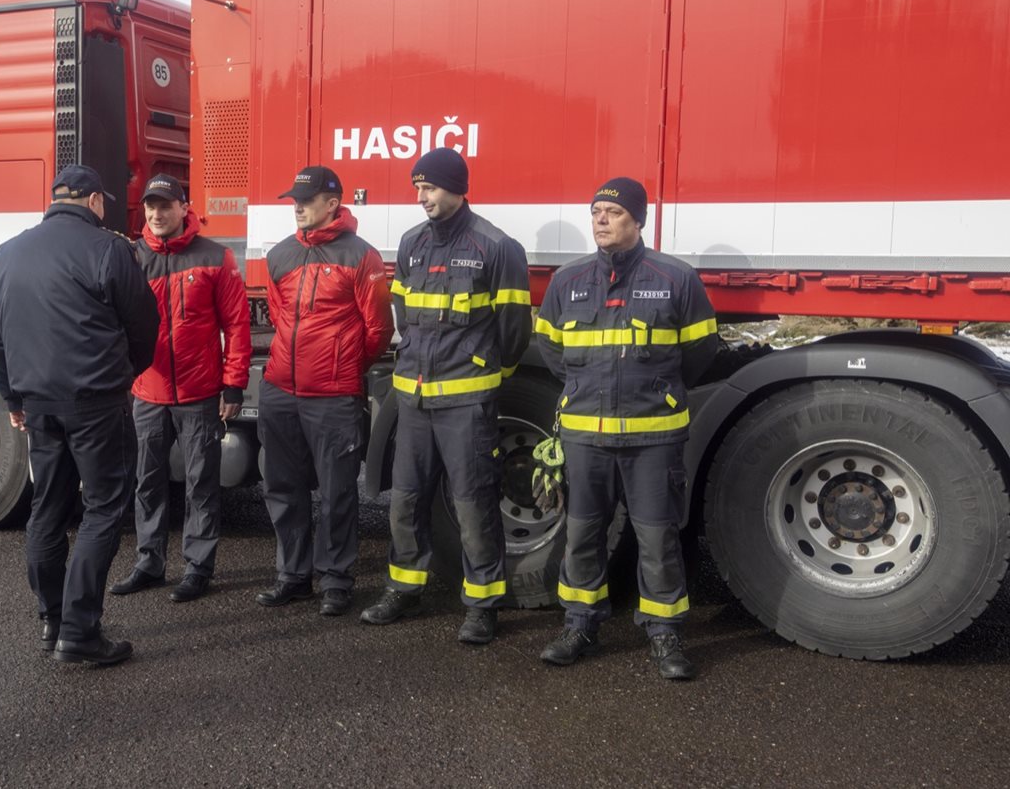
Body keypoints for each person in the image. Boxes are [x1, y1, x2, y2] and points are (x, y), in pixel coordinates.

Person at [533, 176, 717, 680]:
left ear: (638, 220)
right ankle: (579, 625)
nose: (601, 219)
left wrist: (656, 391)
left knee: (658, 540)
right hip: (585, 438)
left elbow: (699, 351)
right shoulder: (567, 281)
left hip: (652, 438)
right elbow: (551, 348)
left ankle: (663, 633)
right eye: (595, 211)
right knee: (581, 536)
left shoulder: (675, 278)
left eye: (613, 212)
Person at [0, 164, 158, 666]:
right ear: (95, 201)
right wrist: (126, 372)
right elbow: (144, 323)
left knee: (48, 508)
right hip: (95, 401)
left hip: (38, 403)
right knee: (103, 508)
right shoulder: (108, 249)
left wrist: (12, 399)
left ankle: (53, 621)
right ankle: (80, 632)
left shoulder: (6, 253)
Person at [360, 147, 531, 645]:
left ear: (457, 188)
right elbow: (403, 312)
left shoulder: (497, 247)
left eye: (430, 187)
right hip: (414, 400)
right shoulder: (412, 243)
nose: (422, 197)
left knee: (473, 504)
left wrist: (484, 376)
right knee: (405, 499)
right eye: (418, 188)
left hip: (466, 404)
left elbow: (514, 331)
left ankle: (482, 605)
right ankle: (403, 588)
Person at [256, 165, 393, 616]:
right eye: (294, 200)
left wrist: (343, 367)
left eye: (307, 200)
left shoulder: (362, 256)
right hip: (280, 389)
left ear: (332, 203)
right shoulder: (280, 254)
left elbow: (378, 329)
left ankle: (336, 579)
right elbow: (278, 315)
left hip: (333, 395)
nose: (297, 207)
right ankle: (293, 576)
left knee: (337, 492)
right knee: (283, 487)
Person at [109, 174, 251, 603]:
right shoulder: (132, 257)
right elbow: (115, 322)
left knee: (200, 484)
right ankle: (148, 563)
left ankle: (197, 568)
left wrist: (234, 384)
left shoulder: (215, 256)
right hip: (147, 392)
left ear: (184, 208)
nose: (156, 214)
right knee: (147, 481)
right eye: (150, 206)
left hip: (199, 392)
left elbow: (237, 324)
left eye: (165, 206)